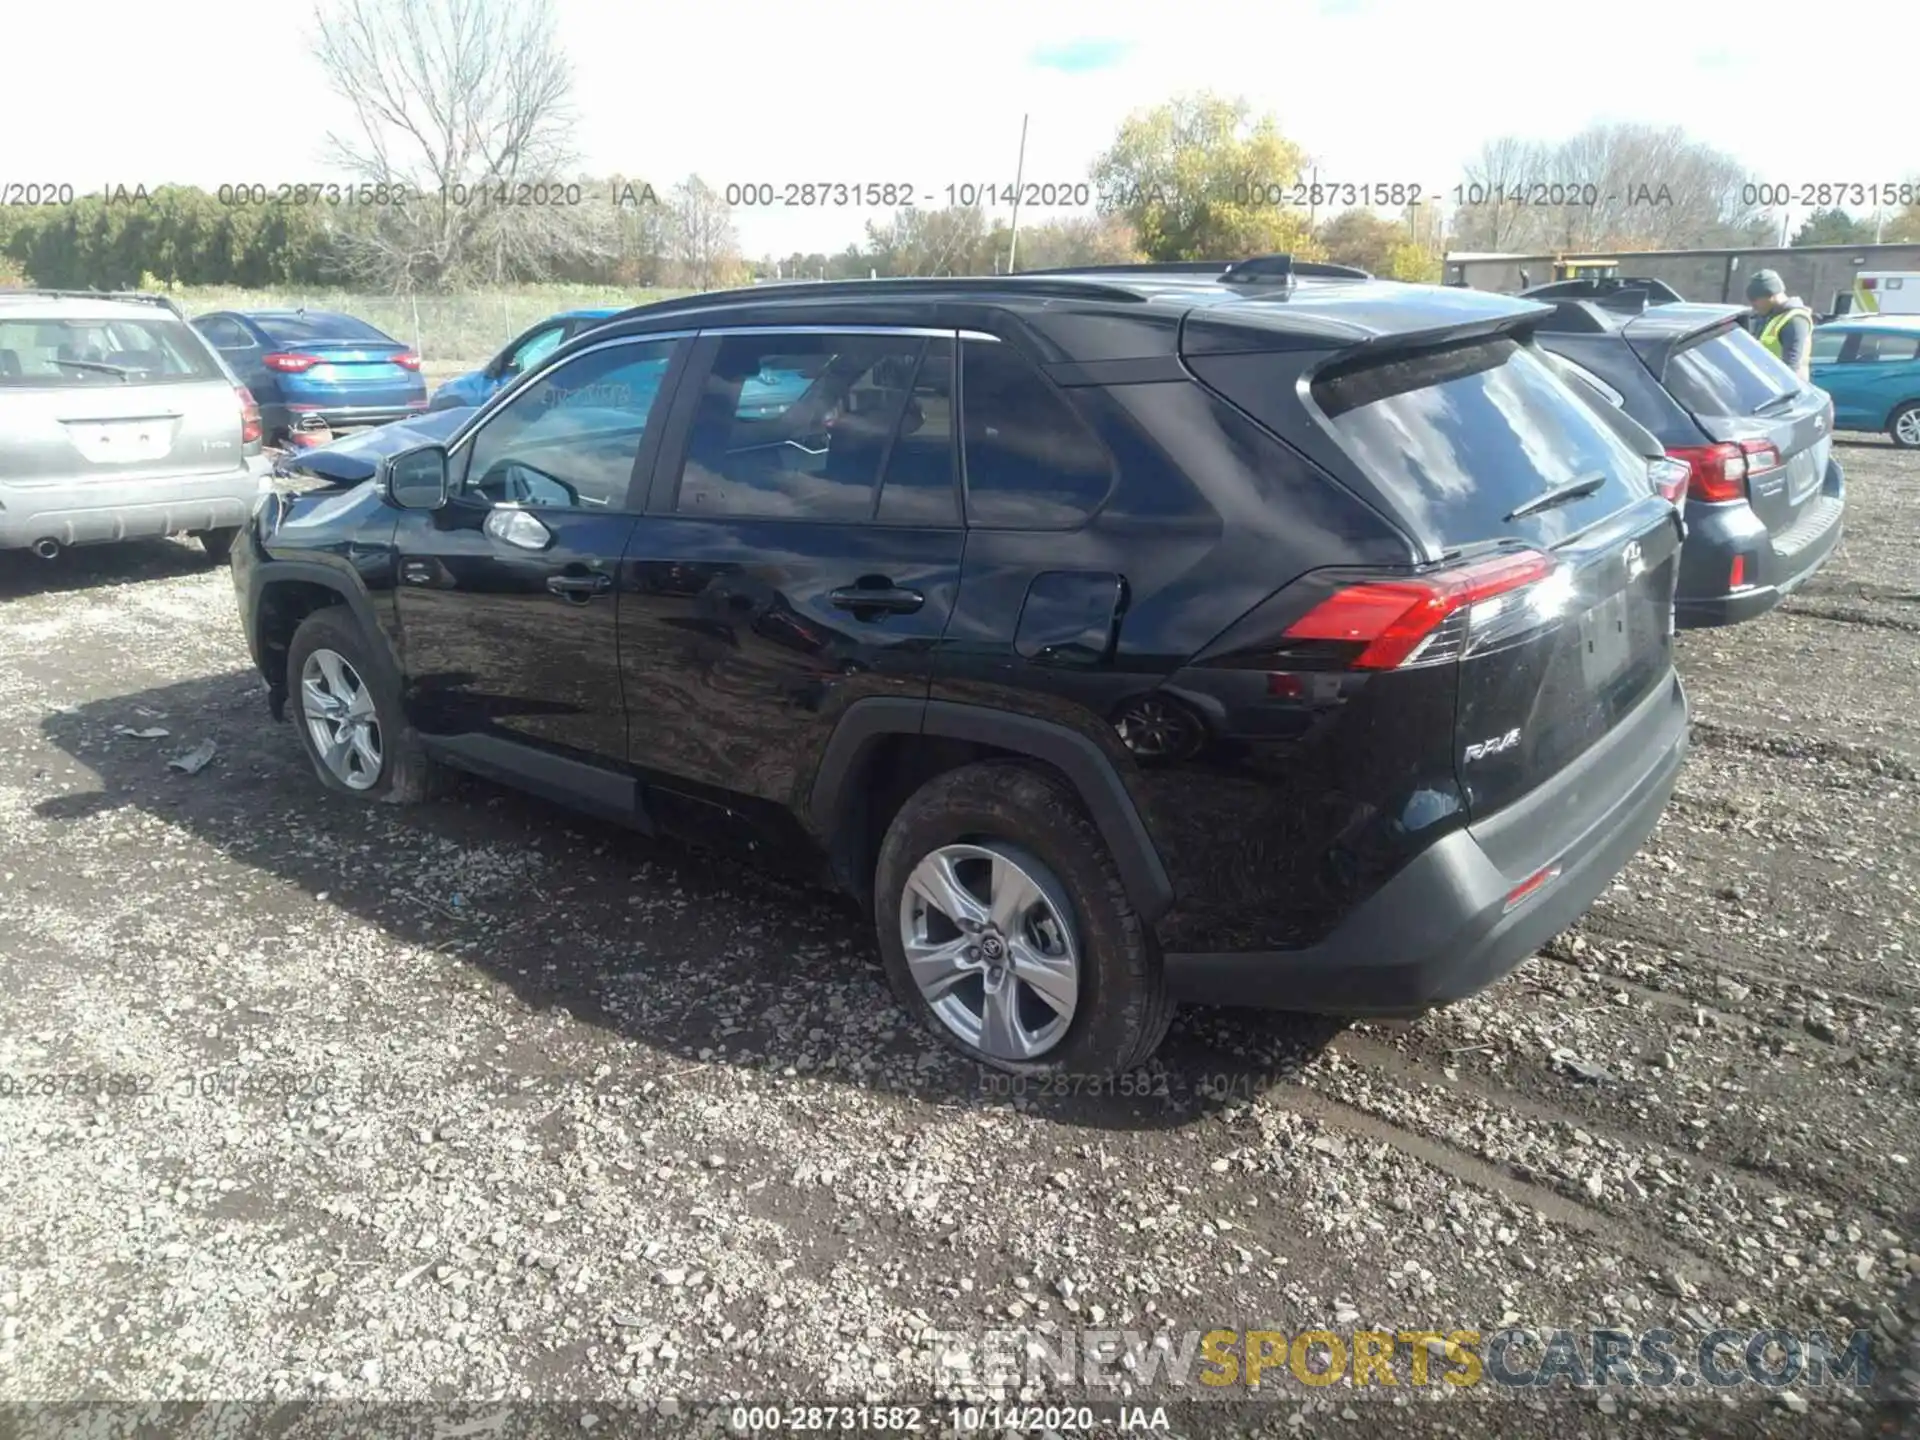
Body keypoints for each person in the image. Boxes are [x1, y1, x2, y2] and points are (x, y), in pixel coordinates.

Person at [1746, 270, 1815, 381]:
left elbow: (1791, 367)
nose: (1753, 305)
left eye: (1755, 300)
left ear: (1771, 295)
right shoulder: (1771, 317)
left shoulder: (1795, 320)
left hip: (1785, 390)